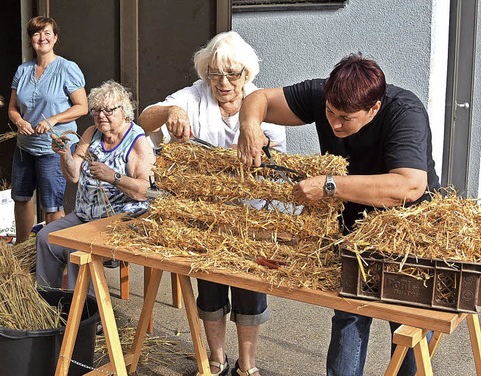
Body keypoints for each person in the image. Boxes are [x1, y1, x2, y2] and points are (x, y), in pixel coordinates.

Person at [237, 53, 440, 376]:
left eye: (345, 118)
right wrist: (249, 125)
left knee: (407, 321)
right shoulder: (321, 95)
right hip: (354, 228)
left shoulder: (405, 113)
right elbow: (258, 98)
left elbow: (410, 185)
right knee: (349, 314)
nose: (333, 123)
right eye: (330, 112)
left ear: (374, 108)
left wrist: (330, 186)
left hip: (406, 233)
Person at [139, 31, 284, 376]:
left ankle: (247, 366)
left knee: (249, 287)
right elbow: (145, 119)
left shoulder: (261, 100)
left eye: (232, 75)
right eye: (216, 74)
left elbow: (279, 159)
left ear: (246, 75)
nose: (223, 83)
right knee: (210, 285)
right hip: (203, 214)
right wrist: (171, 111)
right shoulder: (194, 96)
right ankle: (216, 360)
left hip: (250, 215)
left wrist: (265, 151)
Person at [36, 80, 155, 291]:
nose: (101, 115)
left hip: (120, 219)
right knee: (45, 237)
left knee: (76, 252)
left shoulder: (137, 142)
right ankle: (49, 300)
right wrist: (64, 155)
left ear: (124, 111)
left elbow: (146, 192)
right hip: (85, 214)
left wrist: (114, 177)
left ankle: (86, 315)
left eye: (108, 110)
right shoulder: (92, 133)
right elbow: (73, 175)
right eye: (97, 110)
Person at [8, 16, 88, 243]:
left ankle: (54, 256)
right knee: (21, 198)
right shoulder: (23, 70)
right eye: (36, 34)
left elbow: (82, 107)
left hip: (54, 148)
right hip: (25, 147)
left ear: (55, 38)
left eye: (47, 33)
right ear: (31, 39)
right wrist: (19, 122)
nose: (41, 38)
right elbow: (13, 108)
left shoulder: (67, 68)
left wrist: (53, 120)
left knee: (52, 206)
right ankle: (23, 250)